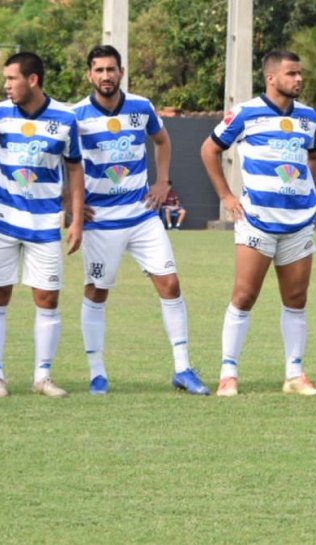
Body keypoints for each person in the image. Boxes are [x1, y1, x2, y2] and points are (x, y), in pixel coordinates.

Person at [73, 45, 209, 396]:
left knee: (170, 284)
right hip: (100, 219)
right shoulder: (76, 116)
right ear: (90, 75)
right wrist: (67, 200)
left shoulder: (141, 107)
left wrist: (163, 181)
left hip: (142, 214)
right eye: (99, 70)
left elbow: (162, 140)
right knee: (97, 291)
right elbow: (61, 159)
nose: (106, 76)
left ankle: (183, 369)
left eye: (111, 69)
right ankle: (97, 374)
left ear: (121, 72)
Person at [200, 50, 316, 397]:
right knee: (244, 295)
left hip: (299, 222)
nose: (298, 80)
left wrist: (306, 188)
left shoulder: (309, 117)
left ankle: (295, 374)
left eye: (300, 74)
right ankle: (228, 373)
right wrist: (226, 195)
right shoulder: (244, 113)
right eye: (291, 74)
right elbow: (209, 150)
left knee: (296, 298)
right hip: (257, 221)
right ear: (271, 78)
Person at [0, 52, 83, 398]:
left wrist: (77, 218)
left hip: (45, 223)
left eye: (11, 79)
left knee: (47, 298)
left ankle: (42, 377)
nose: (6, 86)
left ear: (32, 80)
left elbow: (75, 170)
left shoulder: (66, 117)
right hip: (1, 219)